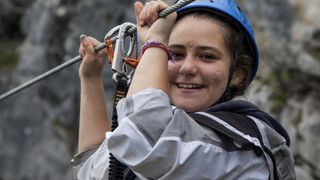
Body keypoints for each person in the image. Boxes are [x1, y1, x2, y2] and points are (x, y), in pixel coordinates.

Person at [73, 0, 295, 179]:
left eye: (207, 56)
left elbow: (142, 140)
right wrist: (91, 78)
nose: (188, 68)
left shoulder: (244, 146)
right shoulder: (171, 133)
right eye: (175, 54)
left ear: (238, 73)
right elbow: (94, 170)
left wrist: (156, 41)